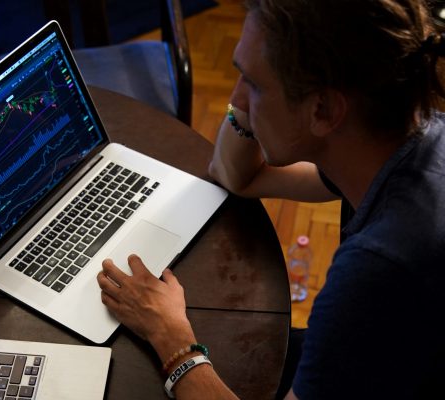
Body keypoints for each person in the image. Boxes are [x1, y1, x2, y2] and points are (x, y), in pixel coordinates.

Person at [97, 0, 445, 398]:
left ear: (324, 110)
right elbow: (237, 176)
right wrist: (254, 94)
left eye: (254, 85)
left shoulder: (379, 270)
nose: (236, 101)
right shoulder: (401, 138)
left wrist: (171, 339)